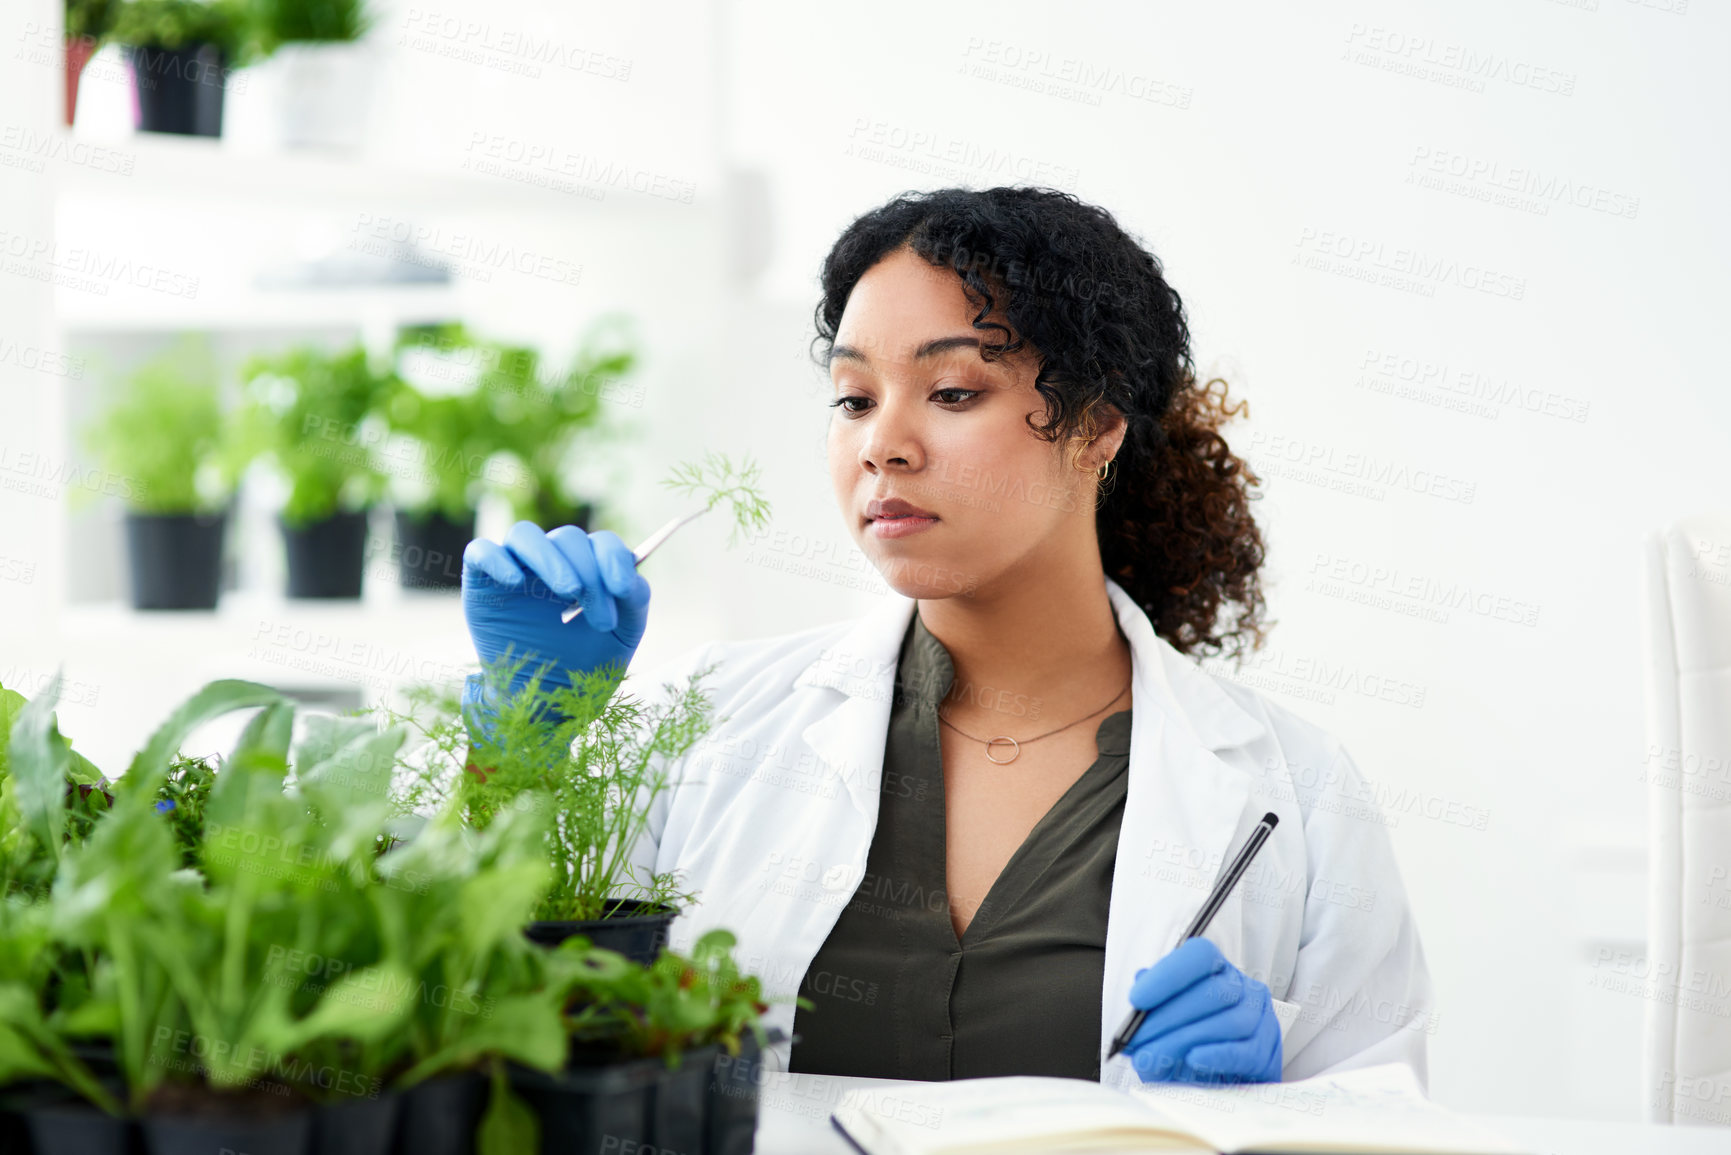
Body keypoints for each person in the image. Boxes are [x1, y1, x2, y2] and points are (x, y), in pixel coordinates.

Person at [459, 186, 1433, 1092]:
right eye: (854, 398)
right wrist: (522, 749)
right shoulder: (711, 726)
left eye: (952, 392)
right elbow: (500, 1026)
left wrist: (1280, 1111)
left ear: (1096, 427)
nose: (884, 441)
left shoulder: (1294, 797)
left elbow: (1385, 1113)